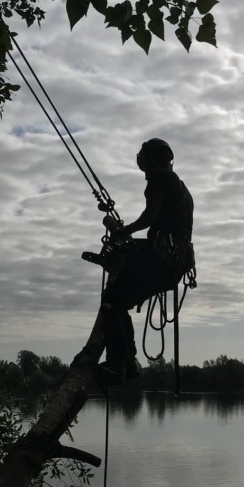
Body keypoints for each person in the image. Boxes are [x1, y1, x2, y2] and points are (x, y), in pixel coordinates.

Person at [93, 138, 194, 383]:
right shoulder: (181, 187)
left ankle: (119, 363)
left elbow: (149, 217)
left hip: (160, 257)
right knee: (119, 305)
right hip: (174, 263)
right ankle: (128, 363)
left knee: (111, 301)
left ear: (149, 160)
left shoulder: (160, 179)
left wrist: (123, 232)